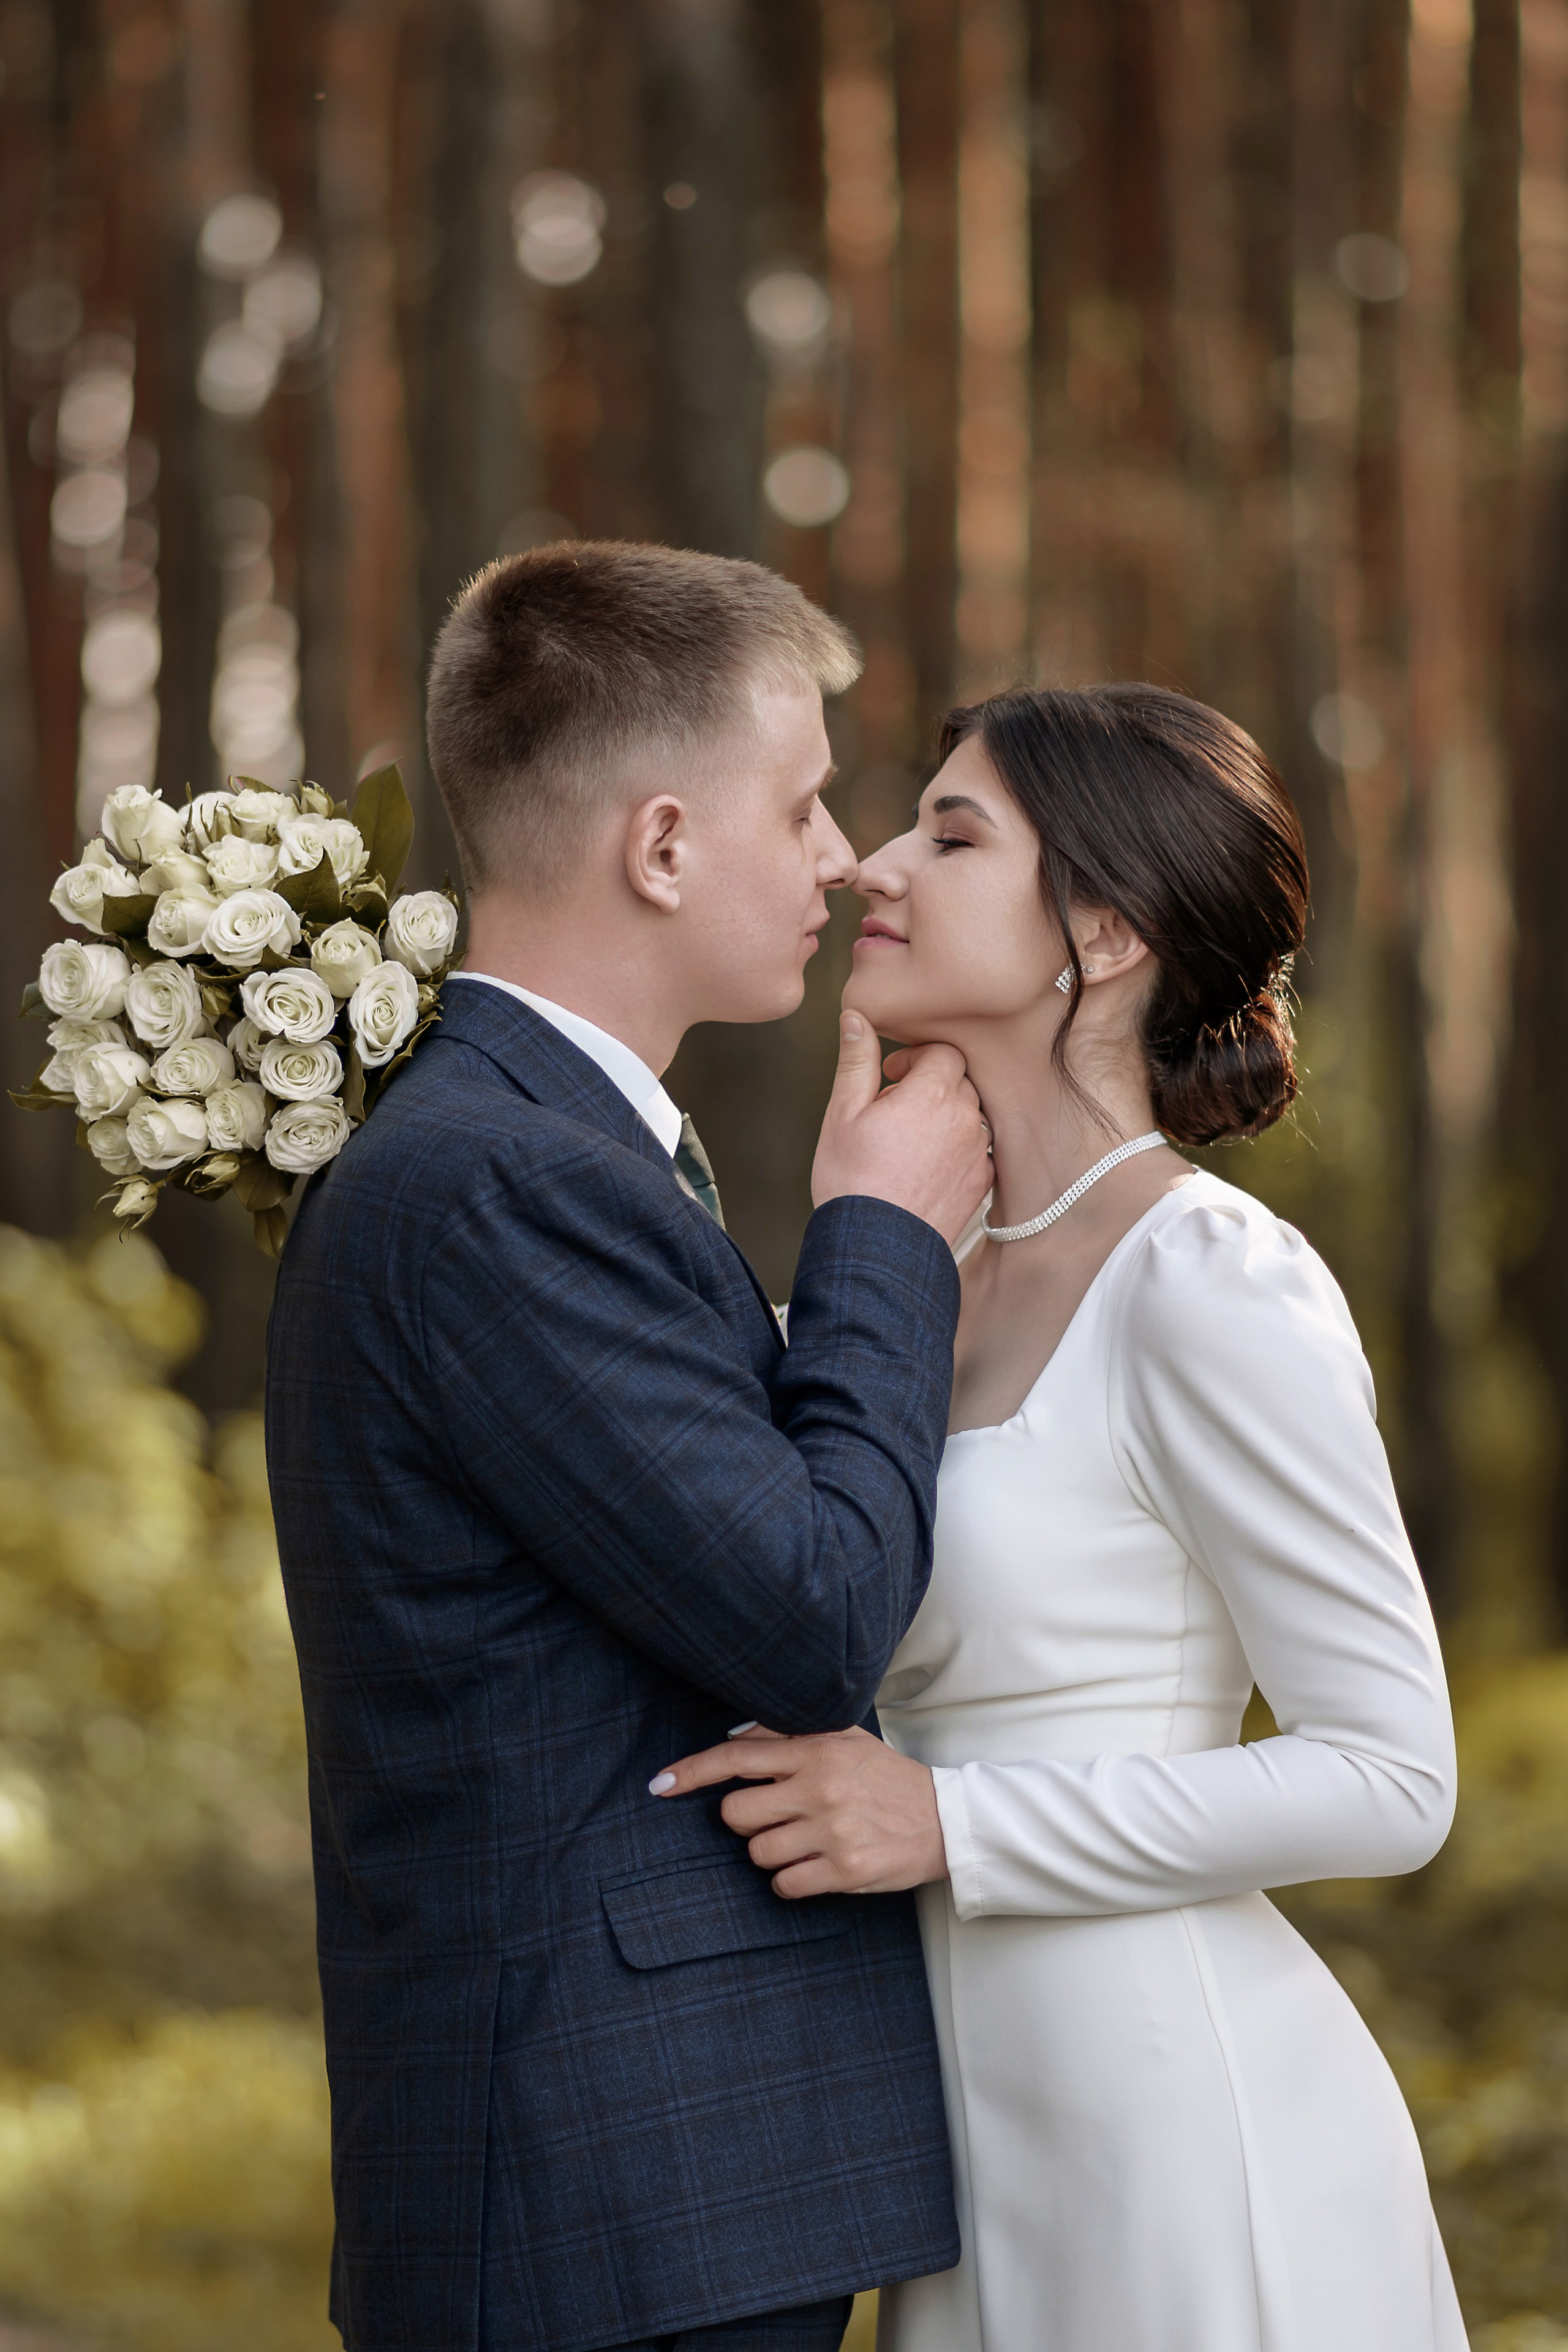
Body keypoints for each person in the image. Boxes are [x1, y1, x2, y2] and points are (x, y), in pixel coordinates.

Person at [656, 684, 1466, 2352]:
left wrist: (954, 1827)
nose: (874, 863)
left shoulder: (1212, 1281)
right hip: (941, 2141)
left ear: (1100, 932)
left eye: (952, 836)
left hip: (1178, 2134)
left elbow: (1394, 1776)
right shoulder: (896, 1283)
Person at [264, 542, 993, 2352]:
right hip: (604, 2200)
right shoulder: (504, 1182)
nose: (841, 857)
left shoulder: (542, 1150)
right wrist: (882, 1238)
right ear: (663, 846)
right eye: (806, 802)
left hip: (637, 2183)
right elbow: (815, 1614)